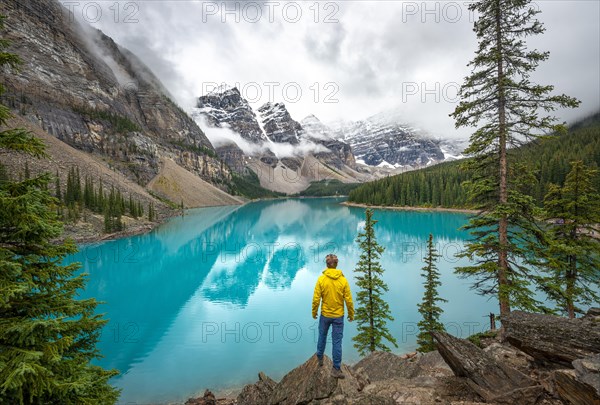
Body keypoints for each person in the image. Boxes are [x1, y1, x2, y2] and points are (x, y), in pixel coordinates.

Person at [312, 254, 354, 379]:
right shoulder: (343, 280)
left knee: (322, 335)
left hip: (325, 315)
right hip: (338, 316)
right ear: (336, 264)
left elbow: (316, 299)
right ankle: (336, 368)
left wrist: (314, 312)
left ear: (327, 264)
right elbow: (349, 300)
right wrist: (351, 314)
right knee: (337, 341)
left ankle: (319, 357)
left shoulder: (321, 279)